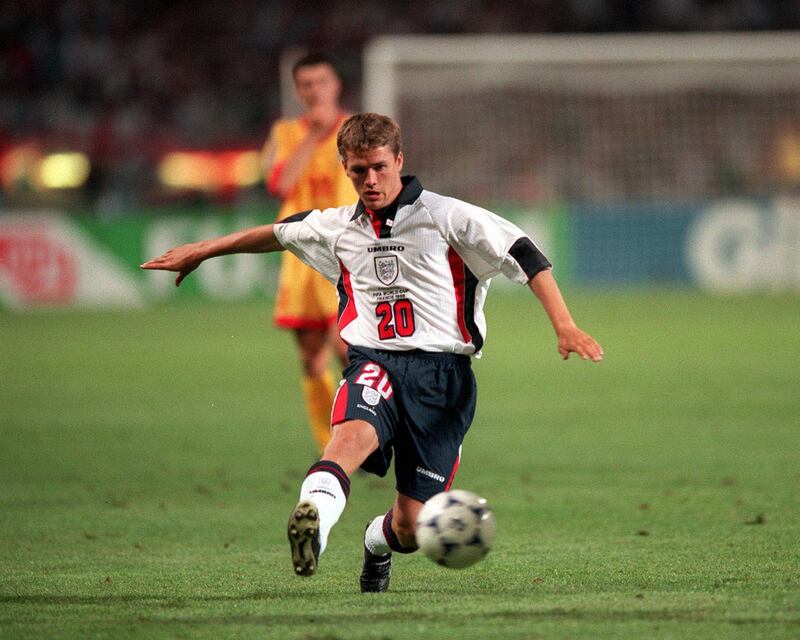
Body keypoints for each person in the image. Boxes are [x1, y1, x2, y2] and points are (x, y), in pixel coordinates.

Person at [142, 112, 603, 593]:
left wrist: (564, 325)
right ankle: (313, 526)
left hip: (442, 381)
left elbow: (524, 251)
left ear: (399, 161)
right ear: (345, 168)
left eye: (380, 167)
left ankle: (374, 543)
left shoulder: (447, 216)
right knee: (346, 442)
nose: (370, 179)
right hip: (373, 363)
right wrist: (204, 250)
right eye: (359, 170)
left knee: (411, 528)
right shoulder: (339, 226)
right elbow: (277, 232)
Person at [262, 52, 356, 453]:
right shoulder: (285, 133)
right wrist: (313, 138)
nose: (315, 90)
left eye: (322, 81)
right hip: (301, 256)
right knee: (311, 356)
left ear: (336, 85)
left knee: (349, 349)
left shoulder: (356, 129)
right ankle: (328, 445)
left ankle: (364, 432)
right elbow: (280, 185)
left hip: (347, 251)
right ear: (298, 91)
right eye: (307, 84)